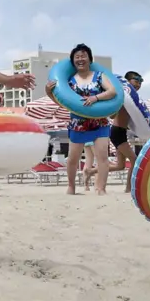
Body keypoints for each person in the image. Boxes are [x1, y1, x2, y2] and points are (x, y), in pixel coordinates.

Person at [45, 43, 113, 195]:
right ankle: (71, 186)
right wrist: (49, 93)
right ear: (73, 61)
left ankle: (101, 188)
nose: (80, 59)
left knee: (102, 157)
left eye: (83, 56)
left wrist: (95, 97)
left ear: (90, 59)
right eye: (77, 57)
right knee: (72, 159)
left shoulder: (99, 76)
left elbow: (112, 92)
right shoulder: (70, 81)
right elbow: (65, 104)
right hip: (78, 124)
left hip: (99, 122)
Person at [98, 70, 145, 194]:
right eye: (136, 80)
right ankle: (129, 188)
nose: (138, 84)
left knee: (120, 166)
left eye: (141, 82)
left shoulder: (134, 102)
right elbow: (112, 116)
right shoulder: (122, 98)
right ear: (128, 82)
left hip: (122, 132)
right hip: (117, 132)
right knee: (135, 160)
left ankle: (90, 171)